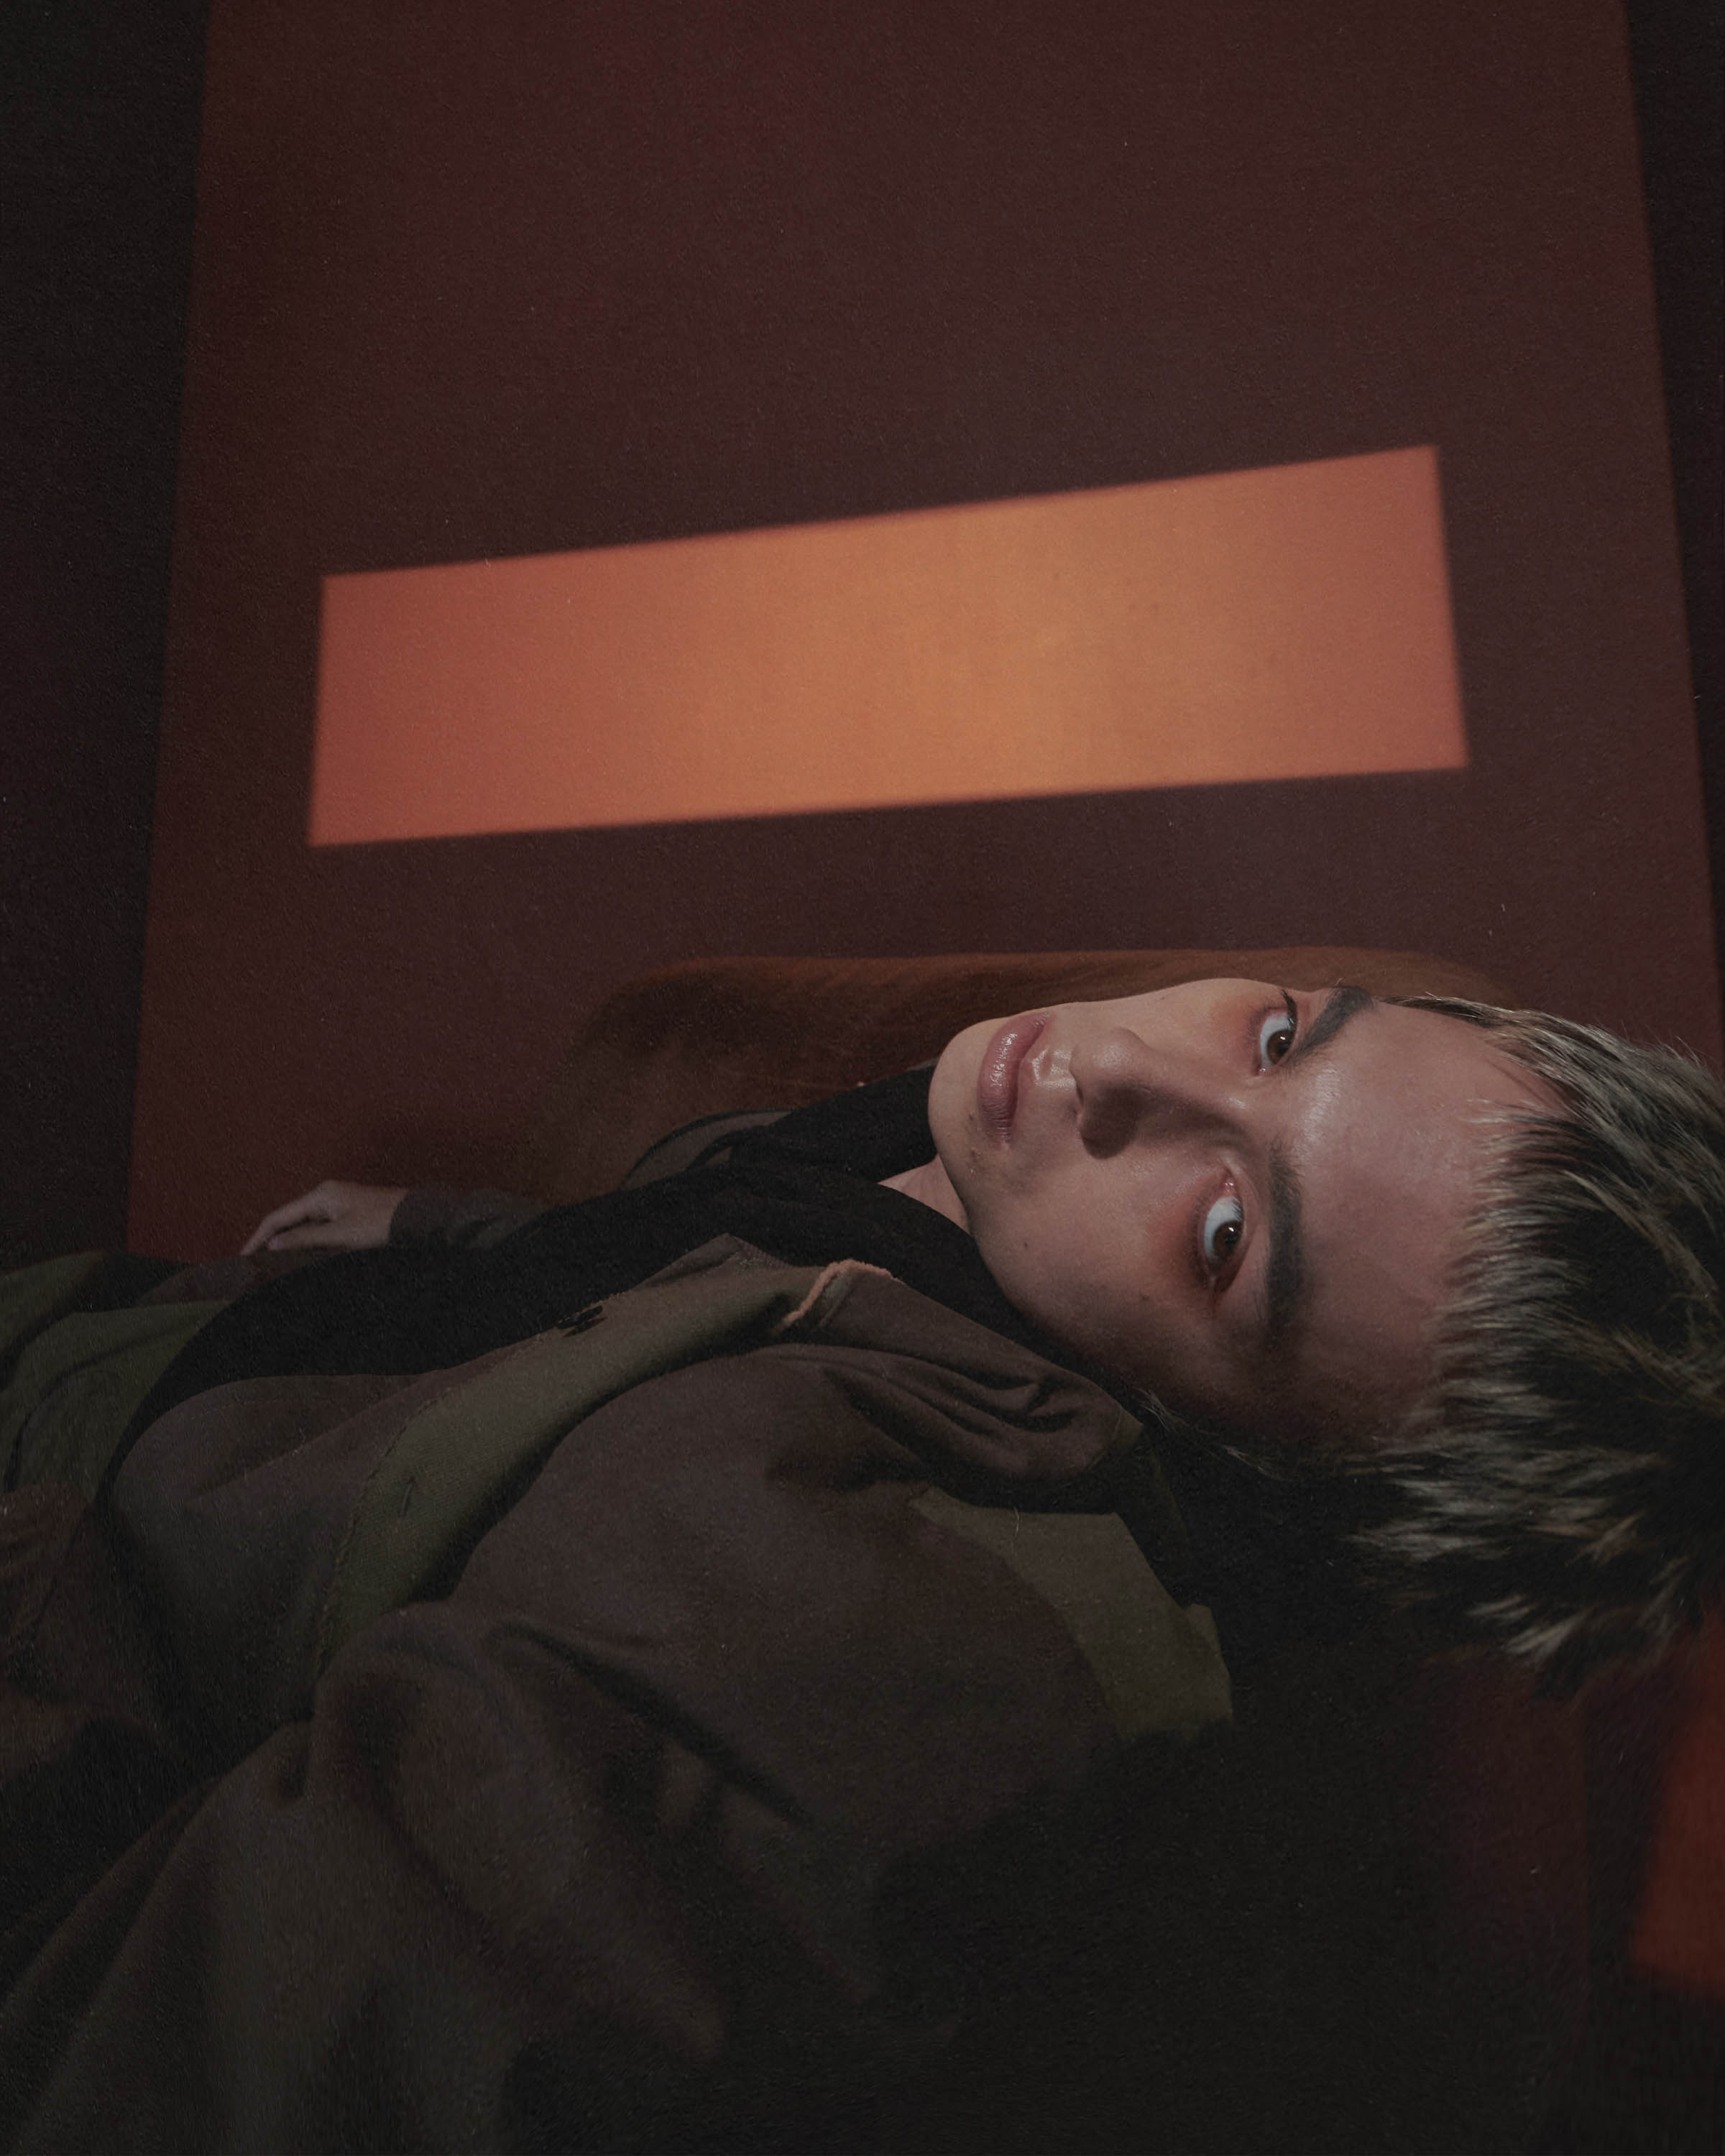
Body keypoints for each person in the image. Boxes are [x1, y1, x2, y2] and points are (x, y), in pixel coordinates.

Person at [0, 975, 1719, 2149]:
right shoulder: (991, 1184)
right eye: (1280, 1033)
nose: (1119, 1070)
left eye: (1223, 1231)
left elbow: (121, 2060)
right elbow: (700, 1255)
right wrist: (437, 1233)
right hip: (160, 1354)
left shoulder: (840, 1657)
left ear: (1271, 1473)